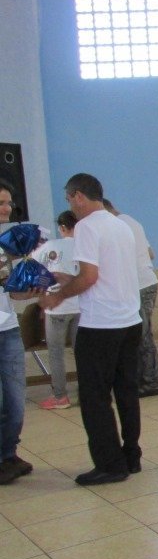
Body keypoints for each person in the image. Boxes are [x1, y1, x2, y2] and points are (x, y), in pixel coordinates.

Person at [39, 174, 142, 485]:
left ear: (79, 196)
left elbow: (90, 278)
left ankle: (110, 465)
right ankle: (131, 456)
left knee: (94, 397)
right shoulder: (120, 225)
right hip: (129, 321)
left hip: (100, 326)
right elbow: (104, 275)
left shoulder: (86, 226)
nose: (70, 205)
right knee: (126, 392)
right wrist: (66, 279)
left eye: (69, 199)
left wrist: (58, 296)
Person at [104, 199, 158, 397]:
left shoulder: (118, 225)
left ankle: (150, 382)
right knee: (141, 335)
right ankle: (143, 379)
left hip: (139, 285)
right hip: (146, 282)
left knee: (141, 336)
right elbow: (150, 254)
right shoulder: (132, 221)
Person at [30, 210, 80, 410]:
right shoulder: (85, 245)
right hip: (80, 306)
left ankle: (60, 396)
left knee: (56, 353)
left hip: (56, 307)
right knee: (82, 353)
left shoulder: (51, 246)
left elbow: (31, 265)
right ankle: (87, 393)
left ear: (62, 227)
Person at [0, 183, 32, 485]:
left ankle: (8, 453)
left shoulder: (5, 246)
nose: (7, 208)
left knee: (15, 401)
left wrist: (33, 288)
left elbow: (11, 291)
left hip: (7, 329)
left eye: (9, 203)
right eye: (1, 203)